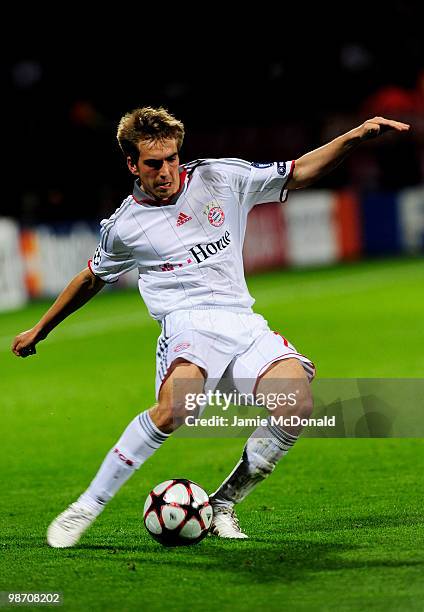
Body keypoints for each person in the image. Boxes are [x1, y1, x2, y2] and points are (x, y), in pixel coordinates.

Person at [12, 107, 409, 547]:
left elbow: (298, 172)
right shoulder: (126, 225)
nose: (166, 171)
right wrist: (40, 330)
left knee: (295, 405)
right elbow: (91, 277)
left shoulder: (220, 178)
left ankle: (222, 504)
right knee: (175, 410)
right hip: (187, 325)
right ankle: (87, 505)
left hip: (241, 321)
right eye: (153, 163)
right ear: (132, 165)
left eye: (171, 159)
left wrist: (354, 136)